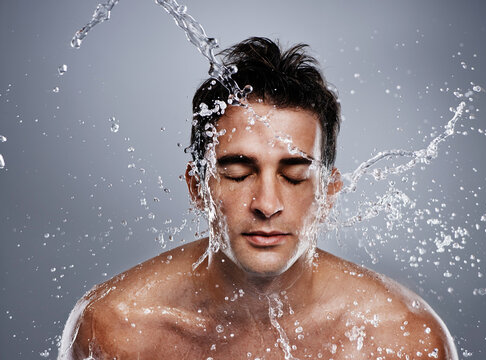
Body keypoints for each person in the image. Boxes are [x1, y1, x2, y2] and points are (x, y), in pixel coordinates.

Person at [59, 37, 458, 360]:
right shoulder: (116, 330)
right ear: (199, 188)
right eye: (238, 172)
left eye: (294, 175)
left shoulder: (403, 339)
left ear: (328, 192)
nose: (267, 204)